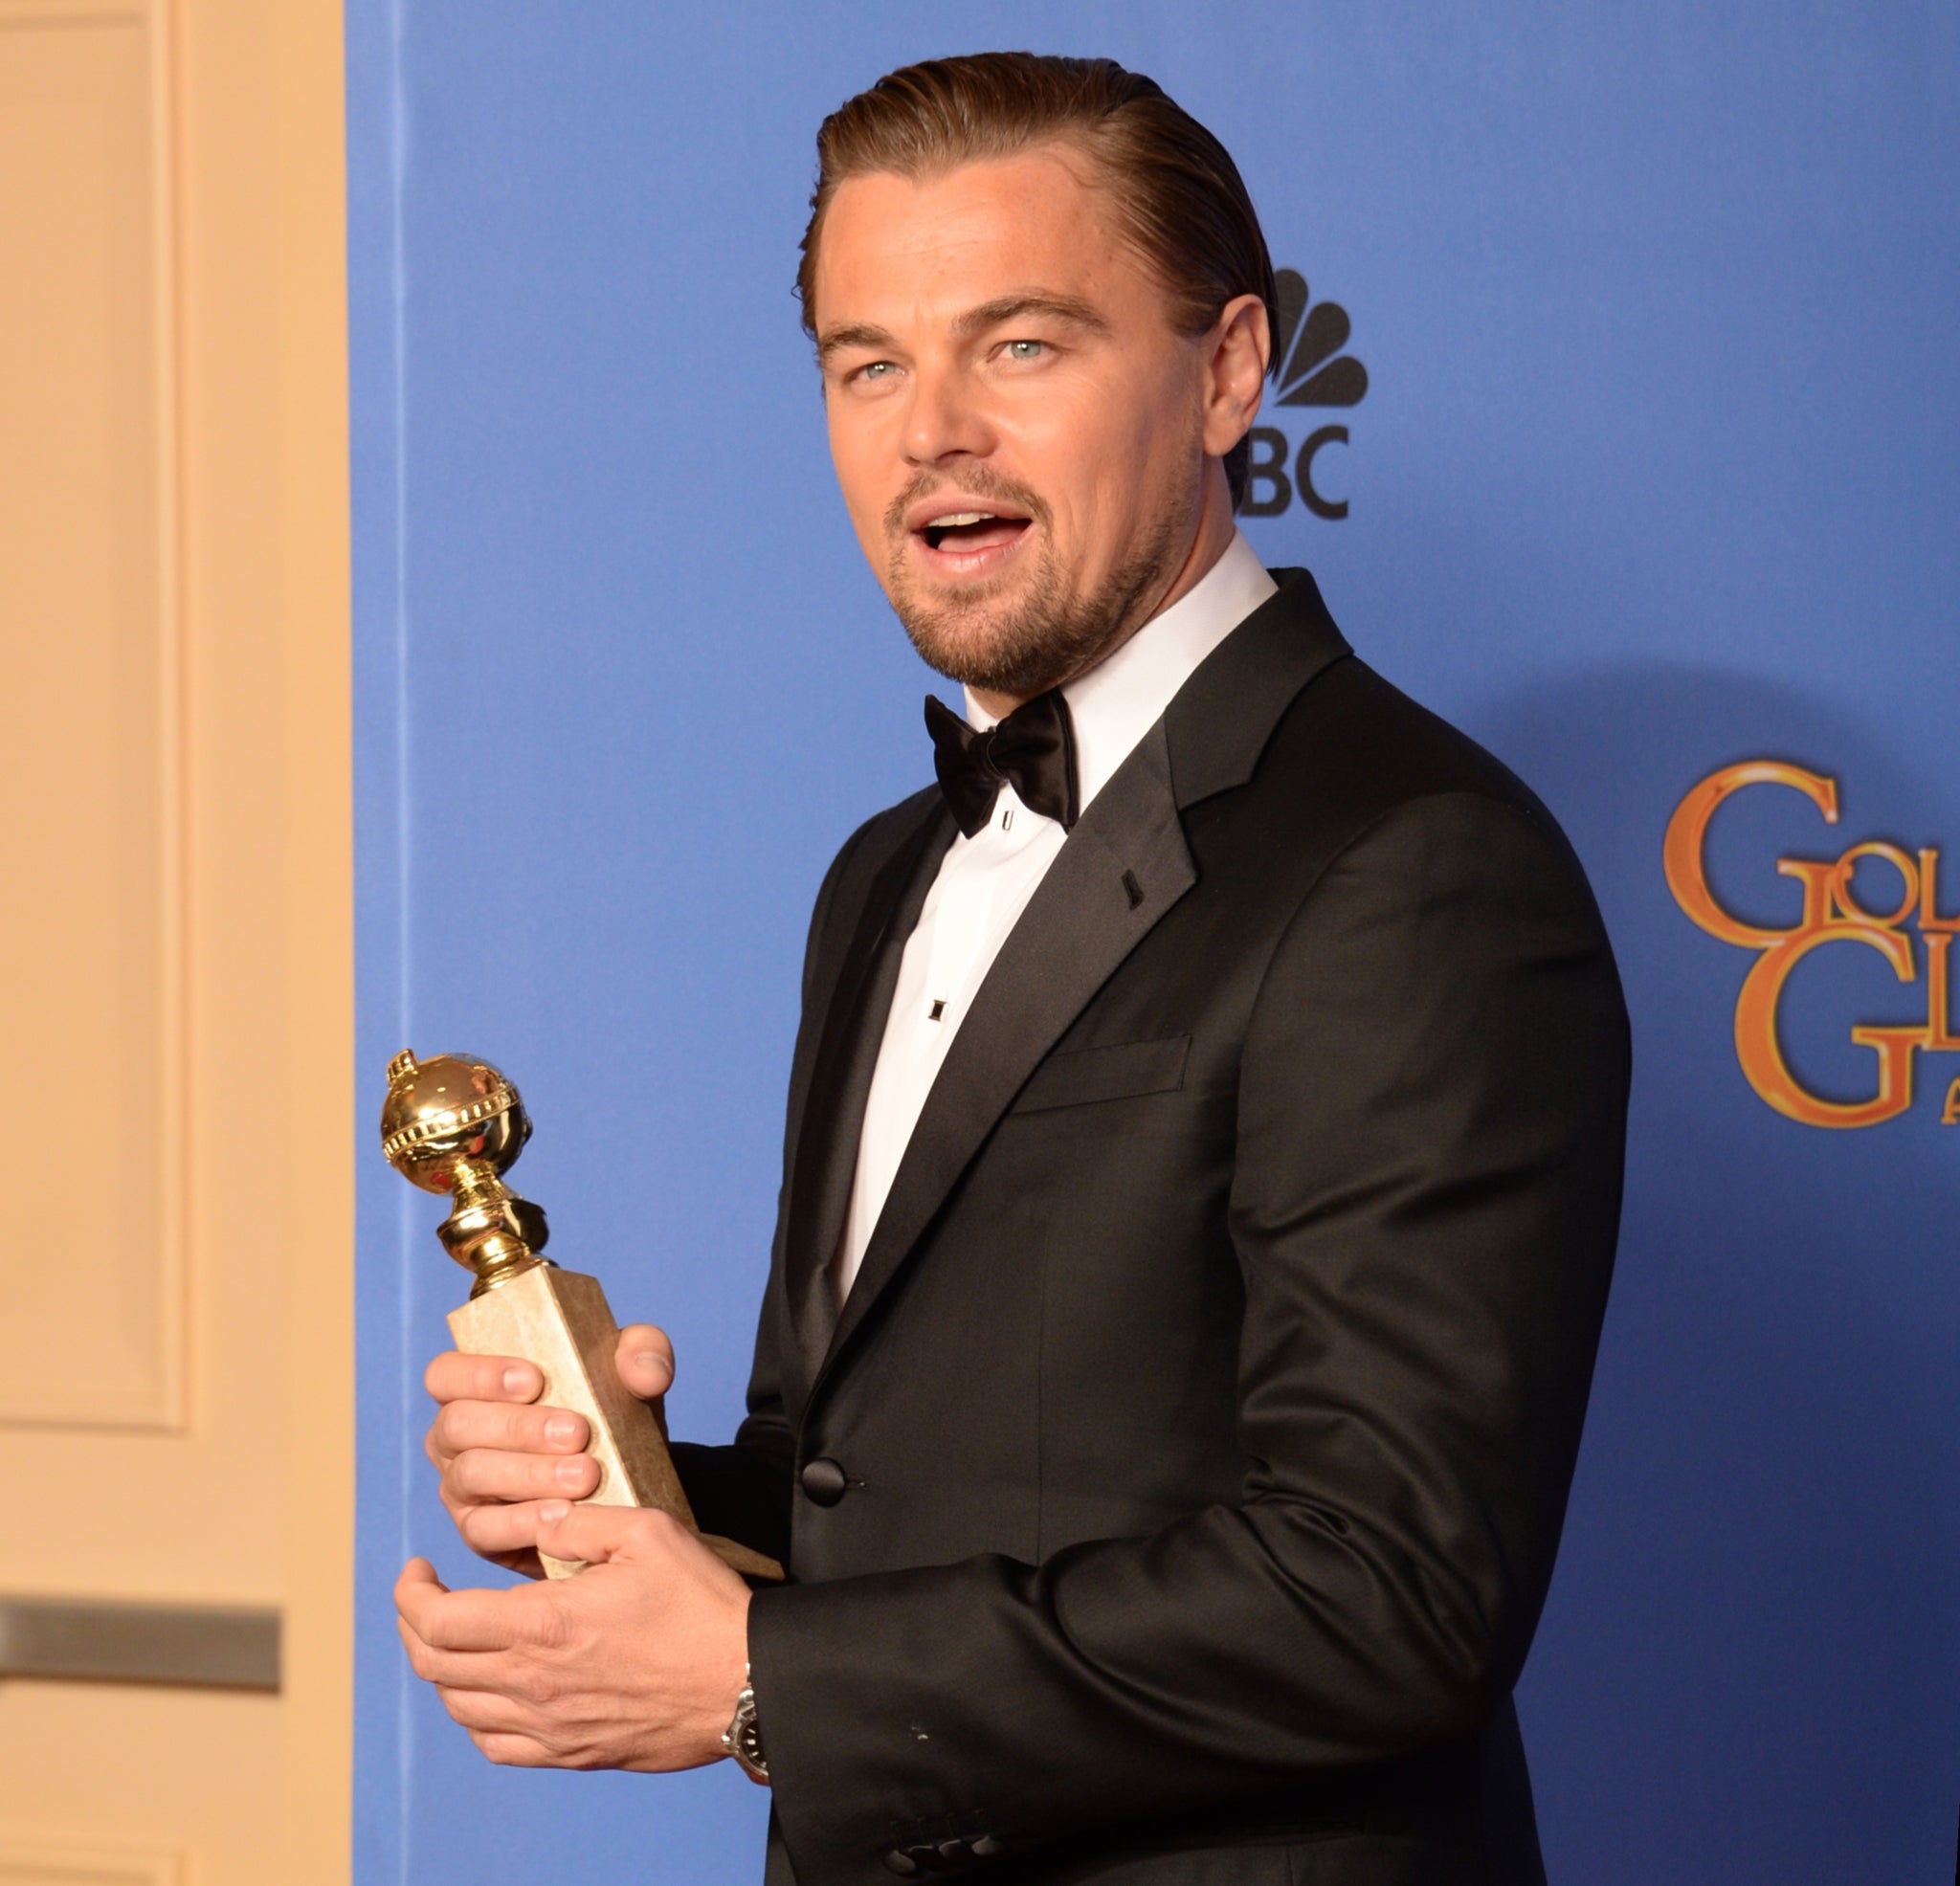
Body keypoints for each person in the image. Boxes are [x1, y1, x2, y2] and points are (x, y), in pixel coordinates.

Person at [395, 53, 1630, 1886]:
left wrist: (757, 1684)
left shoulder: (1416, 866)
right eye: (866, 362)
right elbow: (885, 1487)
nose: (930, 434)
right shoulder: (883, 875)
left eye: (1023, 345)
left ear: (1228, 373)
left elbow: (1390, 1594)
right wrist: (642, 1491)